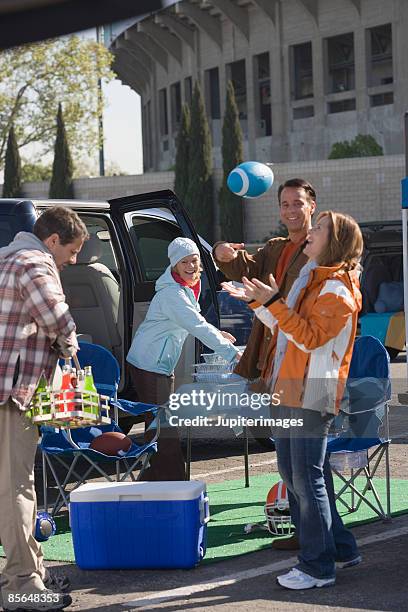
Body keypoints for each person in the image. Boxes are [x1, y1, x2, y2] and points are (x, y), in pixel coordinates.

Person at [223, 211, 364, 589]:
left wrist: (272, 302)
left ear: (334, 242)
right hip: (291, 383)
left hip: (312, 389)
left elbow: (310, 338)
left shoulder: (336, 288)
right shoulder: (312, 278)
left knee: (305, 478)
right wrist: (259, 302)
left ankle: (317, 567)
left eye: (319, 228)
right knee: (298, 475)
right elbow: (286, 329)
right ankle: (340, 549)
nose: (310, 232)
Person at [214, 177, 315, 550]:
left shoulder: (320, 249)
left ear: (311, 206)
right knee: (289, 462)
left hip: (305, 364)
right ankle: (310, 535)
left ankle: (319, 541)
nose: (290, 210)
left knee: (305, 466)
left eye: (297, 204)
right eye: (284, 204)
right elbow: (247, 265)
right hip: (275, 361)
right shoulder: (275, 247)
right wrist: (222, 253)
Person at [0, 206, 88, 612]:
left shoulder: (5, 257)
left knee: (15, 486)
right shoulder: (35, 261)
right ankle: (21, 586)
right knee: (15, 488)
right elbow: (56, 316)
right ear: (52, 240)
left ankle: (29, 571)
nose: (71, 261)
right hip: (12, 393)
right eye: (70, 252)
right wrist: (70, 344)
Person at [127, 237, 241, 481]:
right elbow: (196, 324)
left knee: (158, 426)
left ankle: (150, 481)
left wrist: (217, 333)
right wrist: (232, 354)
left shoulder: (185, 288)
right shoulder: (172, 294)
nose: (190, 266)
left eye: (194, 260)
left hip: (155, 364)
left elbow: (195, 319)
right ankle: (176, 483)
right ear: (174, 266)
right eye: (184, 262)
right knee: (164, 428)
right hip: (149, 365)